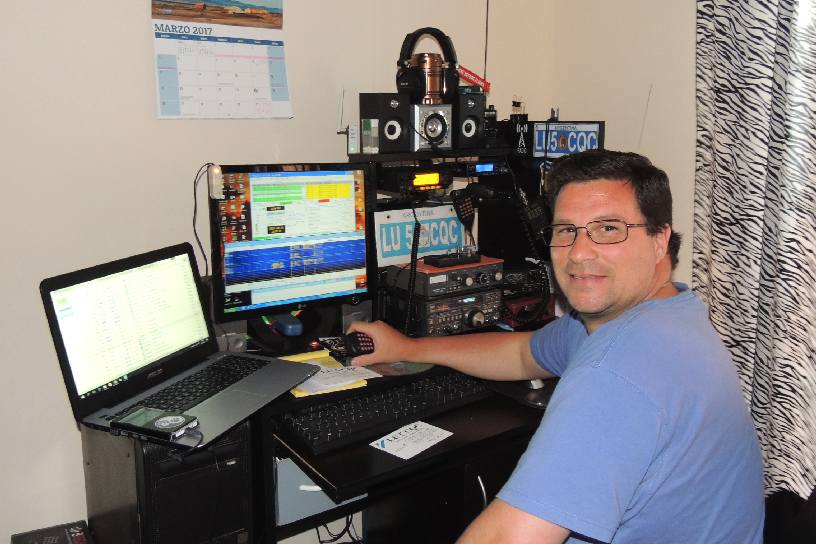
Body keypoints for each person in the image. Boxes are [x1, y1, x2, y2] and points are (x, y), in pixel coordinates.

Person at [348, 150, 765, 543]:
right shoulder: (664, 314)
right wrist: (410, 348)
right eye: (566, 230)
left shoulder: (616, 371)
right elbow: (522, 352)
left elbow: (507, 537)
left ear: (660, 240)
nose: (579, 252)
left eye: (608, 229)